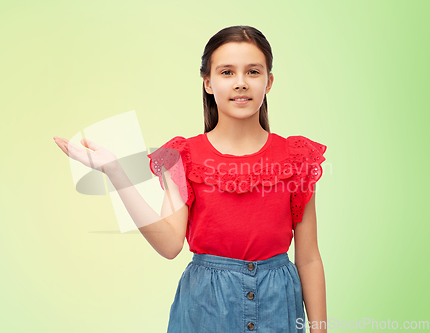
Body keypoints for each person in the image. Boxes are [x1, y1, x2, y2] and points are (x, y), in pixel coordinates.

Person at [53, 25, 328, 333]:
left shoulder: (296, 157)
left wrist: (319, 328)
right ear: (208, 83)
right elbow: (170, 244)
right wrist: (116, 172)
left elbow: (308, 259)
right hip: (205, 309)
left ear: (269, 82)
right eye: (227, 73)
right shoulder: (183, 156)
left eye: (253, 72)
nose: (240, 83)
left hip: (279, 308)